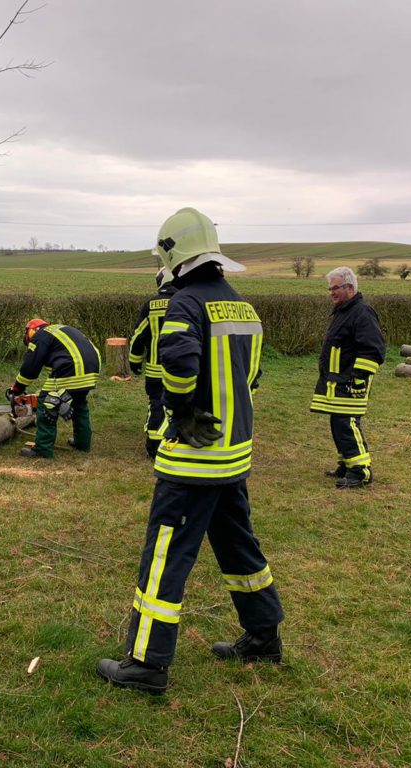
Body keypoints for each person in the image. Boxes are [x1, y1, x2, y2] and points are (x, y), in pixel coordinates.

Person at [97, 207, 284, 694]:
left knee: (165, 557)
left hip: (191, 459)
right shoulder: (243, 307)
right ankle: (264, 636)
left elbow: (178, 364)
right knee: (240, 547)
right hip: (233, 455)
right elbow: (253, 380)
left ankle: (146, 664)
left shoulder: (184, 305)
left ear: (172, 254)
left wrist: (181, 410)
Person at [310, 266, 386, 489]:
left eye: (335, 288)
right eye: (330, 289)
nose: (331, 292)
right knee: (338, 422)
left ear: (350, 287)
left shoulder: (362, 312)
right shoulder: (344, 311)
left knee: (346, 423)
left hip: (350, 382)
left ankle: (361, 471)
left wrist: (359, 378)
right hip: (337, 381)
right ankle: (346, 464)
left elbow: (373, 349)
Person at [6, 319, 100, 459]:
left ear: (31, 331)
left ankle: (42, 450)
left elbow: (30, 367)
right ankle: (82, 443)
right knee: (78, 404)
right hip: (92, 370)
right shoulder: (60, 330)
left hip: (70, 369)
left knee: (47, 405)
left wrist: (17, 388)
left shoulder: (40, 336)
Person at [128, 267, 178, 459]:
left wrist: (134, 361)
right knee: (182, 404)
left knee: (157, 404)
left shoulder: (152, 304)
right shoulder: (189, 301)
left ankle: (154, 447)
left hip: (156, 369)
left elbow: (139, 335)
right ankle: (177, 445)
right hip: (184, 368)